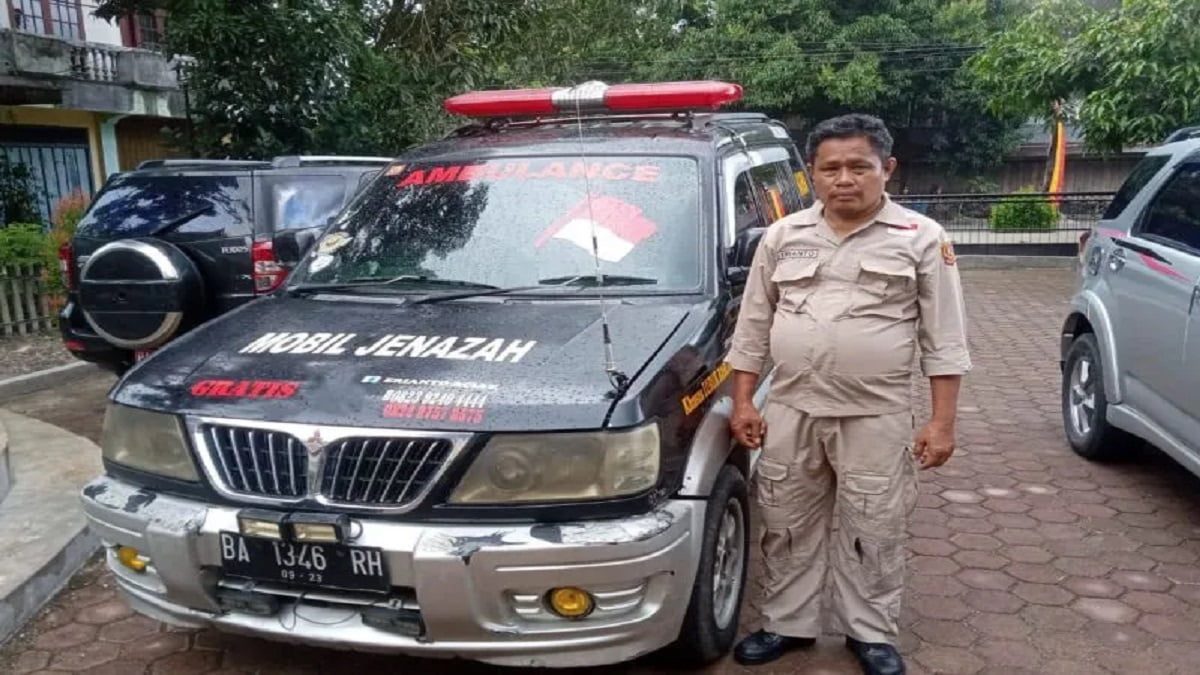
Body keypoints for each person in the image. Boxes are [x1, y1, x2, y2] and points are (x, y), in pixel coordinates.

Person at [726, 114, 971, 675]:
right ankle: (786, 623)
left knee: (873, 527)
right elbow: (752, 327)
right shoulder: (783, 236)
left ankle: (870, 633)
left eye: (859, 167)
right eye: (830, 168)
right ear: (812, 174)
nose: (844, 179)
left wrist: (942, 423)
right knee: (786, 523)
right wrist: (744, 401)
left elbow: (945, 339)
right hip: (791, 409)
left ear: (887, 169)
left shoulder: (921, 238)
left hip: (876, 415)